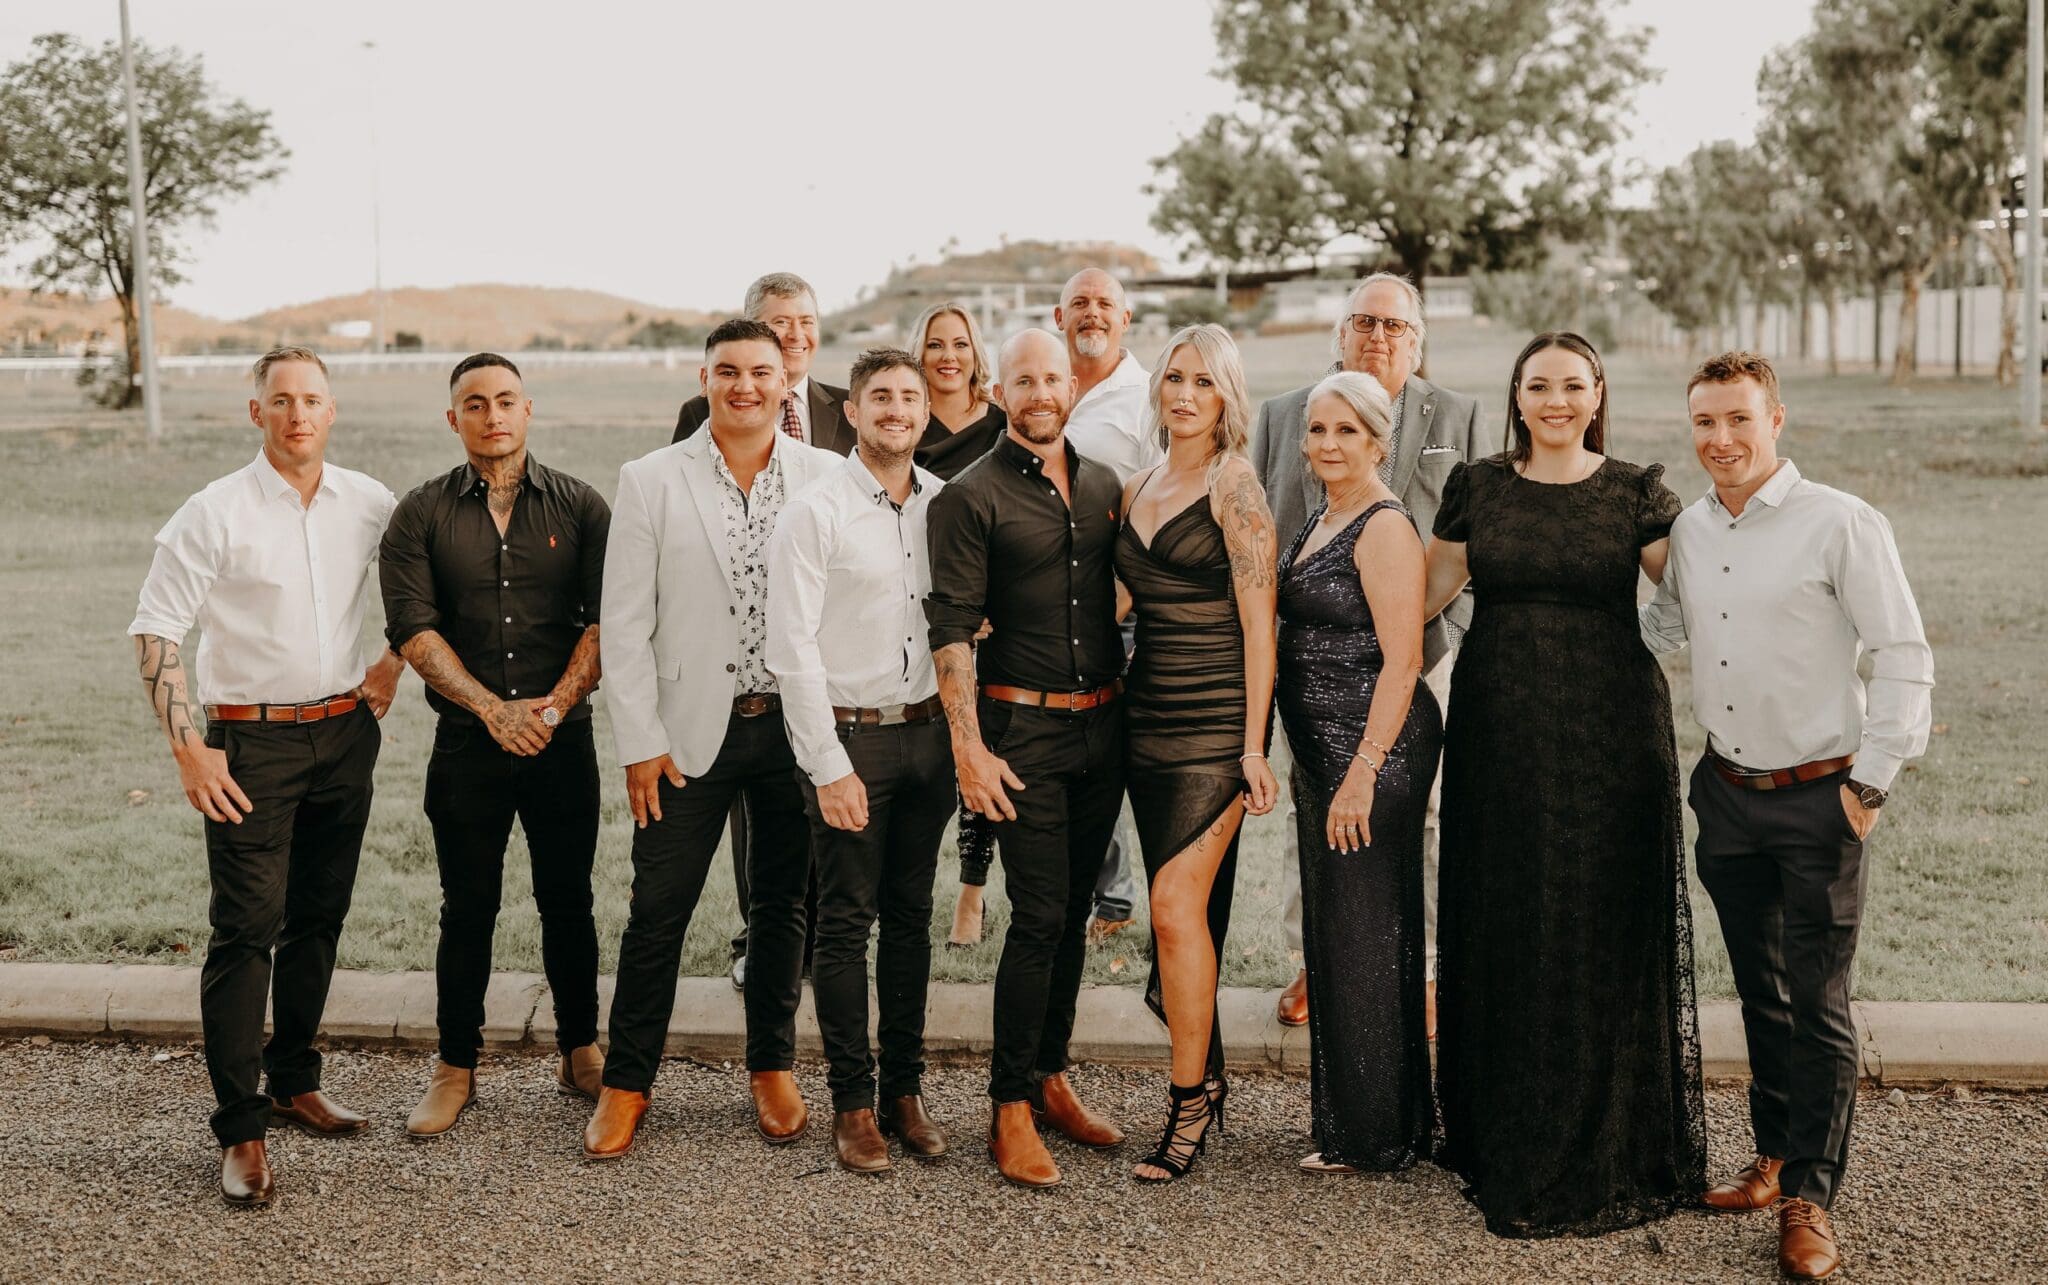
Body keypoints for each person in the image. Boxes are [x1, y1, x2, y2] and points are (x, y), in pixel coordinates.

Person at [1642, 352, 1932, 1281]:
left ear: (1776, 418)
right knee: (1760, 991)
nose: (1720, 439)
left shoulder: (1840, 521)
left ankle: (1812, 1193)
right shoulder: (1689, 528)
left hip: (1822, 795)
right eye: (1704, 422)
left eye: (1738, 418)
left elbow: (1903, 651)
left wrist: (1870, 783)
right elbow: (1663, 629)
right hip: (1726, 794)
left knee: (1819, 1000)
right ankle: (1772, 1155)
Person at [1422, 331, 1705, 1236]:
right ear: (1517, 395)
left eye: (1572, 385)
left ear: (1597, 394)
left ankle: (1608, 1134)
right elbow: (1422, 594)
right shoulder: (1478, 486)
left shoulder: (1635, 492)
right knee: (1510, 911)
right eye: (1538, 384)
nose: (1555, 400)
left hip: (1609, 732)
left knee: (1597, 916)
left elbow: (1702, 590)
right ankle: (1502, 1126)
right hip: (1499, 730)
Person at [128, 346, 404, 1206]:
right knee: (246, 929)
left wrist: (392, 661)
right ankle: (241, 1127)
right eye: (280, 400)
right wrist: (189, 748)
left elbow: (425, 591)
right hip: (250, 745)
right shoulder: (213, 511)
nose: (297, 414)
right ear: (257, 413)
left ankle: (293, 1080)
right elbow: (155, 629)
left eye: (311, 399)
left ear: (332, 409)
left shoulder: (370, 501)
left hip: (345, 734)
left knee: (319, 917)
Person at [583, 319, 839, 1161]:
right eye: (728, 371)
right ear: (705, 379)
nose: (745, 386)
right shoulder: (651, 478)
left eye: (760, 371)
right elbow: (625, 626)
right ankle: (627, 1081)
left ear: (784, 380)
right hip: (687, 736)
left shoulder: (825, 475)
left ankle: (772, 1065)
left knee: (782, 905)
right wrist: (639, 743)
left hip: (791, 730)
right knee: (658, 908)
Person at [379, 353, 609, 1137]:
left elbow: (606, 620)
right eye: (474, 403)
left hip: (562, 741)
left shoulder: (581, 505)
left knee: (568, 901)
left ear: (528, 408)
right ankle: (455, 1066)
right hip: (466, 745)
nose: (492, 414)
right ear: (454, 419)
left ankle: (581, 1049)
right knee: (467, 905)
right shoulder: (420, 513)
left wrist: (552, 707)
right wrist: (491, 710)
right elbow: (413, 629)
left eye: (506, 399)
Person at [1249, 271, 1483, 1032]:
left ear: (1418, 341)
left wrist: (1429, 626)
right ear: (1341, 332)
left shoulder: (1458, 415)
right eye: (1365, 322)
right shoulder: (1284, 415)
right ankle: (1312, 960)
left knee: (1423, 812)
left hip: (1423, 651)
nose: (1378, 336)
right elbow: (1263, 528)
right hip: (1313, 662)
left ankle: (1423, 967)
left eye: (1395, 325)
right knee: (1314, 805)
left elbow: (1477, 537)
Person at [926, 328, 1129, 1189]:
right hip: (1021, 736)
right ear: (998, 392)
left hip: (1103, 731)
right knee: (1040, 913)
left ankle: (1050, 1074)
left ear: (1071, 386)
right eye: (1024, 380)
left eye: (1053, 378)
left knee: (1076, 908)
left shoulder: (1105, 484)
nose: (1041, 393)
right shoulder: (968, 498)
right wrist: (968, 748)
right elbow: (949, 632)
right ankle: (1008, 1103)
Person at [766, 348, 956, 1174]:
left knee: (911, 916)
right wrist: (826, 764)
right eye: (880, 396)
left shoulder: (945, 504)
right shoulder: (815, 511)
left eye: (910, 396)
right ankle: (852, 1100)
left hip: (930, 737)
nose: (896, 409)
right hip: (851, 740)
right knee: (845, 920)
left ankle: (904, 1092)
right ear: (852, 411)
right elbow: (791, 648)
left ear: (926, 412)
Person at [1114, 324, 1280, 1182]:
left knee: (1174, 906)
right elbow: (1112, 603)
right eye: (1174, 377)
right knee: (1182, 914)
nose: (1184, 394)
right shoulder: (1137, 484)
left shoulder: (1234, 483)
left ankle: (1188, 1101)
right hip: (1144, 722)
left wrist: (1254, 746)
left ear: (1227, 397)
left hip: (1215, 726)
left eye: (1204, 382)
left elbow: (1261, 624)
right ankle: (1203, 1072)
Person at [1276, 371, 1440, 1175]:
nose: (1328, 443)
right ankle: (1376, 1118)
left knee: (1365, 934)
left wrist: (1363, 771)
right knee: (1342, 934)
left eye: (1346, 430)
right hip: (1326, 753)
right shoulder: (1324, 513)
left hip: (1373, 752)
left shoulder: (1383, 526)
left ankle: (1375, 1136)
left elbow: (1403, 660)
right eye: (1317, 429)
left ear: (1379, 441)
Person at [674, 271, 849, 990]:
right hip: (739, 661)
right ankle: (761, 937)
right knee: (754, 820)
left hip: (822, 646)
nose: (795, 333)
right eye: (780, 322)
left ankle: (819, 938)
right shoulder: (705, 408)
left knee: (819, 800)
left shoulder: (844, 408)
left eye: (805, 320)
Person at [1054, 267, 1155, 944]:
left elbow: (1161, 503)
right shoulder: (1043, 383)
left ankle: (1122, 902)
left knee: (1118, 755)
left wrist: (1126, 596)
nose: (1092, 313)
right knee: (1068, 753)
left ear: (1125, 318)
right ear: (1058, 316)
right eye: (1079, 303)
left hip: (1121, 608)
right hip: (1049, 610)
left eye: (1104, 304)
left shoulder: (1145, 397)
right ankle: (1100, 895)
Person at [903, 301, 1006, 947]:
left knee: (981, 744)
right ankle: (903, 889)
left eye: (960, 343)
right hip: (912, 598)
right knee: (921, 754)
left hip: (987, 611)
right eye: (936, 344)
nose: (948, 356)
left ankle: (972, 892)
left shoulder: (1000, 423)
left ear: (976, 352)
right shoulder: (905, 420)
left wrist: (991, 604)